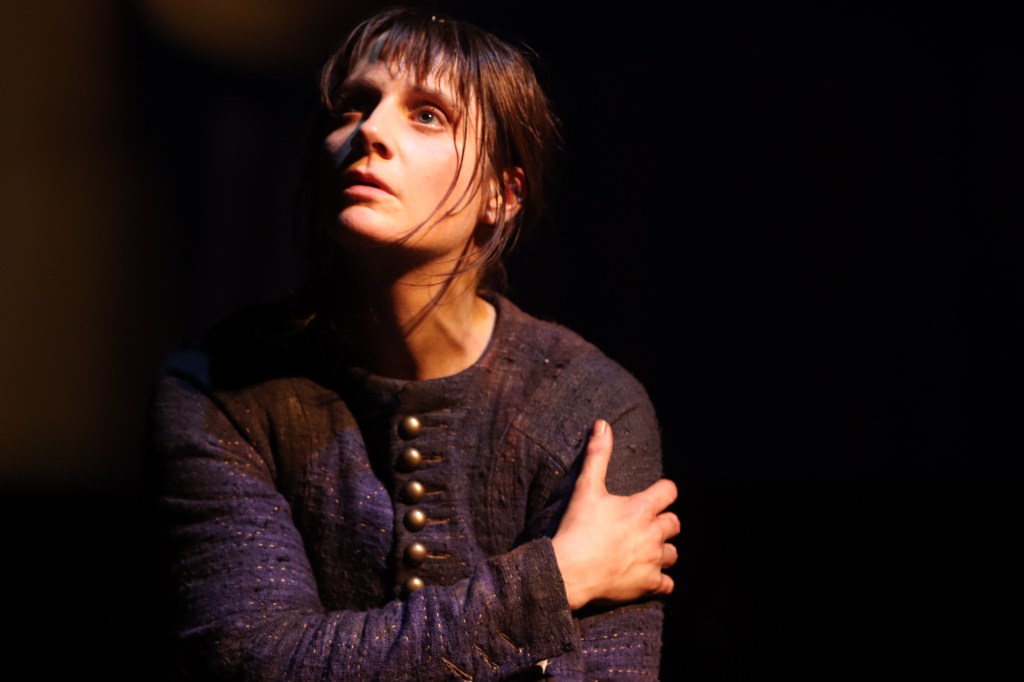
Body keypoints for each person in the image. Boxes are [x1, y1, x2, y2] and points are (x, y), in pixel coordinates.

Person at [147, 6, 679, 680]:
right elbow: (253, 659)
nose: (368, 131)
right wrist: (556, 579)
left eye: (427, 114)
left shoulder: (588, 408)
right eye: (352, 107)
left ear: (503, 193)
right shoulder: (219, 390)